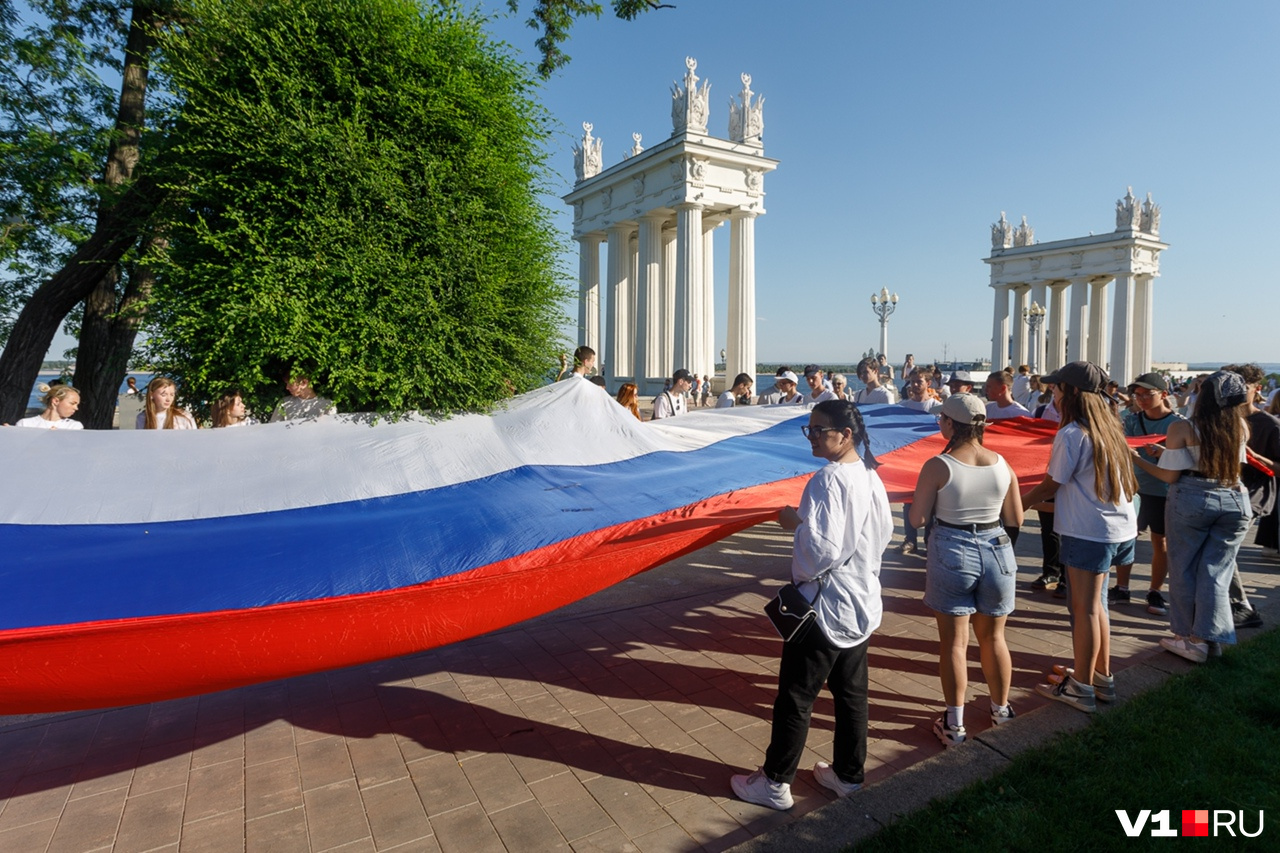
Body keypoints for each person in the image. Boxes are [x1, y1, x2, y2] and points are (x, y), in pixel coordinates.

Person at [730, 400, 892, 809]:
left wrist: (795, 524)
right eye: (809, 429)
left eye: (820, 430)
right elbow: (884, 532)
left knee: (796, 697)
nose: (813, 437)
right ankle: (848, 774)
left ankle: (774, 782)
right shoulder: (870, 474)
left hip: (828, 606)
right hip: (861, 599)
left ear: (846, 434)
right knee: (852, 694)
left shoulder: (829, 479)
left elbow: (821, 550)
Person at [910, 394, 1023, 746]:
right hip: (997, 549)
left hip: (953, 549)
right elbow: (1016, 518)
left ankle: (955, 724)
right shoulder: (1003, 464)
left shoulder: (938, 465)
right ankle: (1001, 710)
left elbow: (917, 519)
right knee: (993, 637)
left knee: (954, 643)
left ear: (948, 424)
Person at [1023, 362, 1137, 713]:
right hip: (1115, 528)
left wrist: (1017, 503)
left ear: (1071, 392)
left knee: (1083, 609)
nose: (1053, 395)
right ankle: (1100, 676)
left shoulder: (1072, 433)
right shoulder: (1109, 428)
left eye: (1057, 389)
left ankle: (1082, 686)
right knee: (1097, 607)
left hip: (1088, 532)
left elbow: (1052, 482)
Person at [1132, 371, 1252, 662]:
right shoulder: (1240, 426)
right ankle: (1210, 637)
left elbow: (1170, 476)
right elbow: (1215, 461)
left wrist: (1136, 459)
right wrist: (1166, 453)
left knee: (1183, 569)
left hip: (1193, 497)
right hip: (1234, 498)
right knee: (1216, 573)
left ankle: (1188, 638)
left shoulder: (1184, 427)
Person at [1111, 373, 1185, 614]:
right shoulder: (1131, 420)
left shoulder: (1178, 424)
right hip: (1134, 488)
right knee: (1127, 539)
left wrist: (1164, 453)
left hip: (1164, 490)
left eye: (1147, 394)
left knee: (1160, 541)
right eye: (1137, 395)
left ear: (1164, 394)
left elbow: (1185, 459)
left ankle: (1155, 591)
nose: (1141, 399)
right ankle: (1122, 587)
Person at [14, 384, 84, 429]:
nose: (76, 408)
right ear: (56, 401)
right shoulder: (25, 424)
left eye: (77, 405)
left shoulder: (74, 426)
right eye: (72, 403)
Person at [270, 374, 336, 423]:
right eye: (286, 384)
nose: (287, 387)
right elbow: (274, 427)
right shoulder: (284, 402)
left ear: (304, 383)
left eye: (290, 384)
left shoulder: (327, 404)